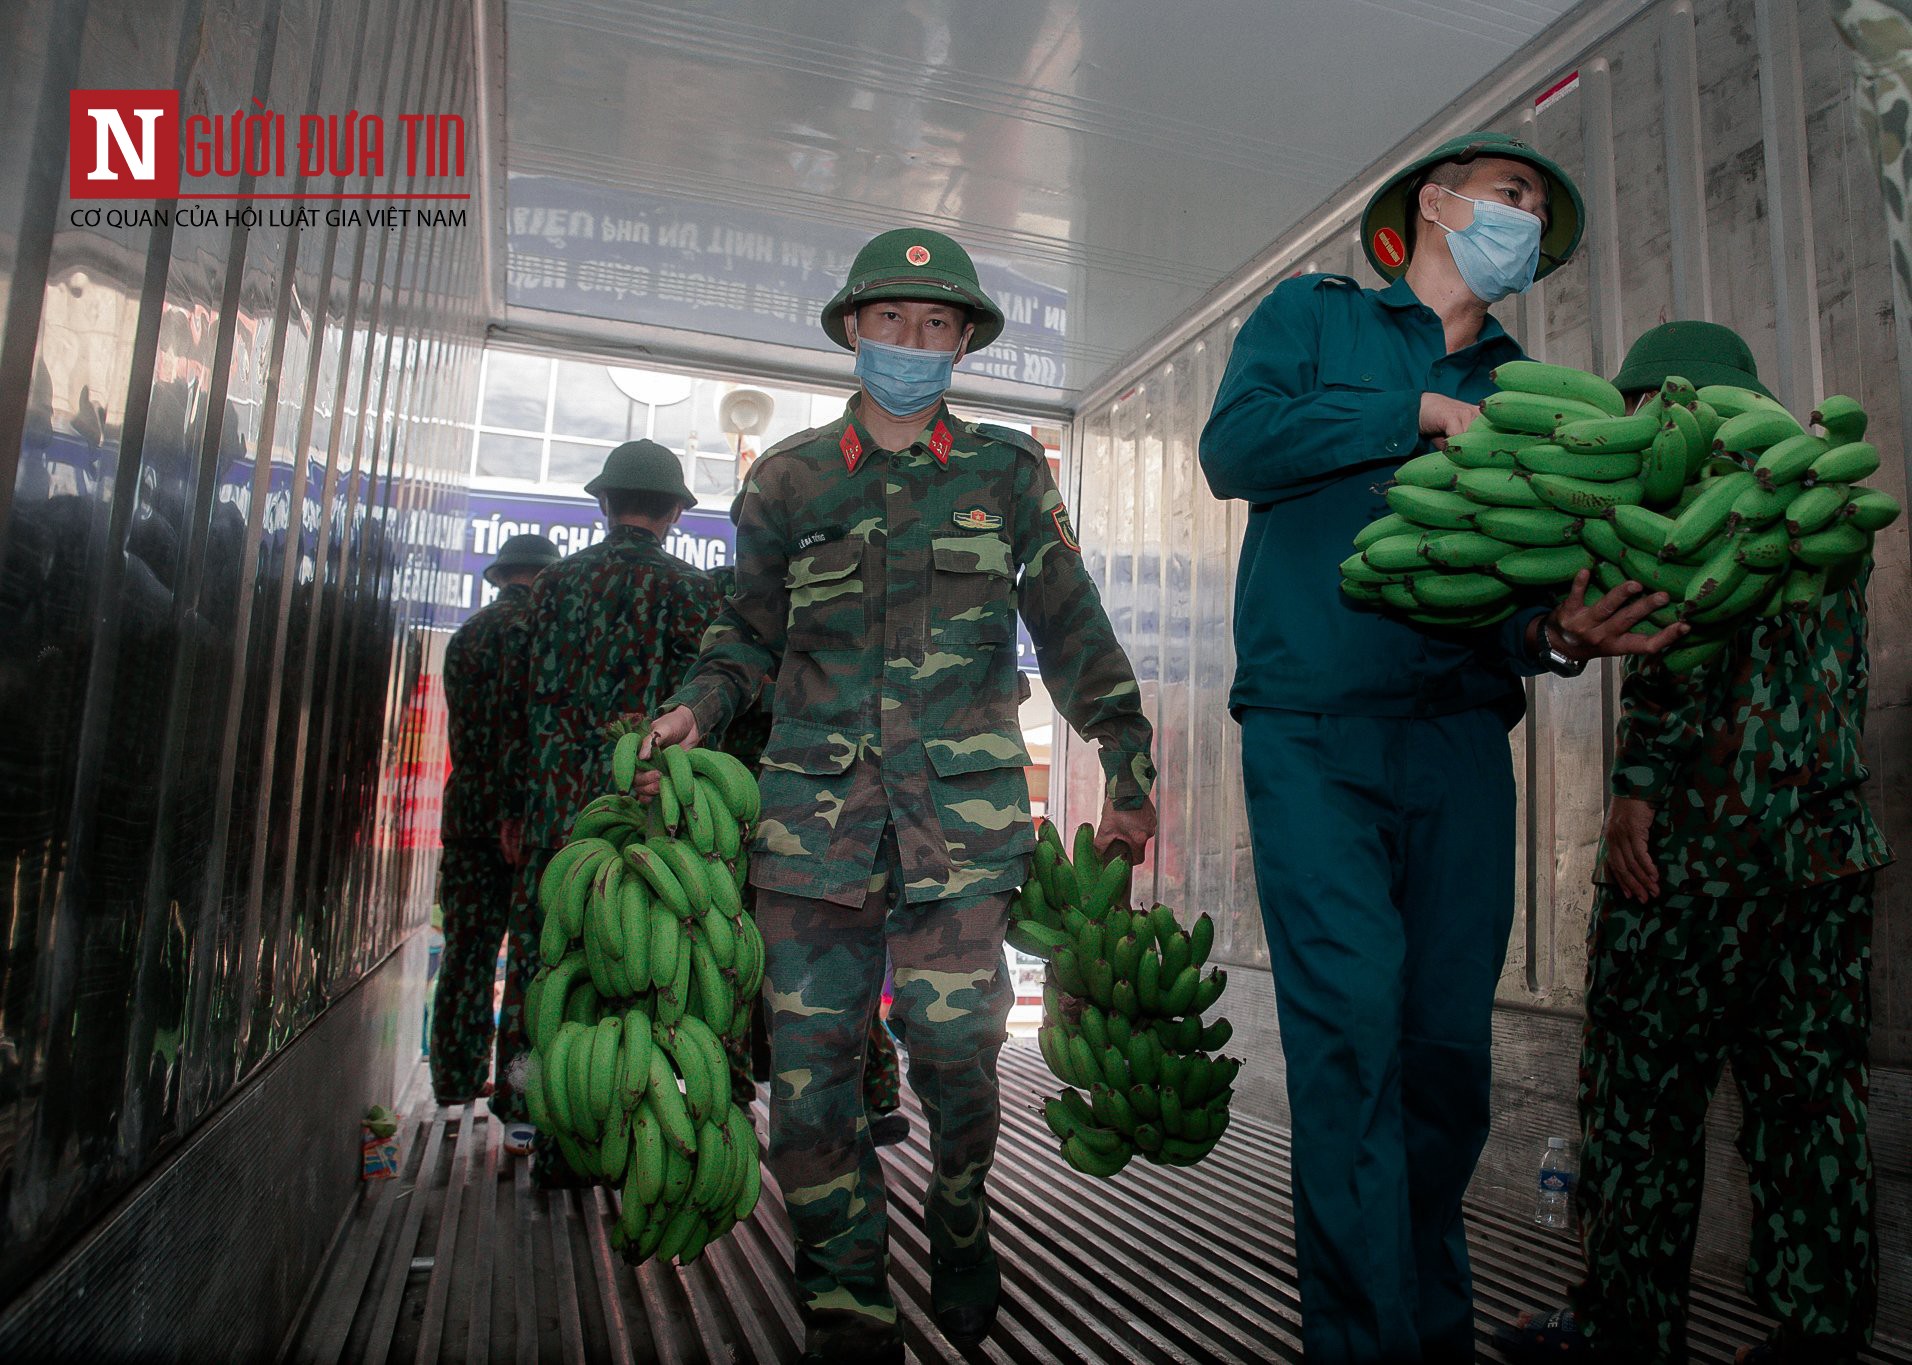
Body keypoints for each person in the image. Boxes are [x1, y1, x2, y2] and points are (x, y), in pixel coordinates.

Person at [1198, 131, 1686, 1364]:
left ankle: (1432, 1327)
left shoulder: (1532, 397)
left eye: (1536, 210)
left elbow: (1509, 600)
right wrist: (1412, 411)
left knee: (1444, 1059)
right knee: (1351, 1037)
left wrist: (1557, 633)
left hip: (1460, 743)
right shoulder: (1315, 322)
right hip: (1317, 736)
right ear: (1438, 201)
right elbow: (1234, 451)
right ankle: (1366, 1345)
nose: (1522, 219)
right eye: (1510, 195)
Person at [643, 227, 1158, 1363]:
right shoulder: (785, 479)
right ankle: (846, 1299)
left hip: (962, 839)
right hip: (814, 837)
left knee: (959, 1067)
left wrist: (1126, 758)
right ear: (853, 332)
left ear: (962, 342)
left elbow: (1070, 624)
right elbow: (745, 634)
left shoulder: (1008, 473)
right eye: (890, 323)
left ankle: (963, 1228)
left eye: (934, 327)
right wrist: (695, 706)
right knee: (813, 1084)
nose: (911, 343)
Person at [1501, 322, 1893, 1365]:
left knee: (1642, 1097)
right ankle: (1820, 1334)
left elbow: (1678, 656)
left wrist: (1633, 794)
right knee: (1809, 1098)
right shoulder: (1826, 496)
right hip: (1823, 852)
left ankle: (1627, 1328)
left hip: (1692, 857)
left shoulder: (1685, 494)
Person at [494, 441, 722, 1168]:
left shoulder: (552, 588)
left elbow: (515, 706)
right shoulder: (695, 593)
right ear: (677, 512)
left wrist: (513, 805)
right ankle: (639, 1125)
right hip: (652, 814)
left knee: (548, 958)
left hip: (559, 809)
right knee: (644, 959)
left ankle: (537, 1116)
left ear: (602, 503)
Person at [706, 554, 910, 1146]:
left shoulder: (730, 594)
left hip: (762, 803)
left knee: (748, 957)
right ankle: (865, 1100)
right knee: (830, 951)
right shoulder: (842, 576)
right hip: (800, 801)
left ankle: (740, 1104)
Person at [431, 533, 560, 1104]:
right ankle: (519, 1093)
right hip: (524, 824)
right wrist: (516, 811)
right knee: (530, 964)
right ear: (544, 579)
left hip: (465, 821)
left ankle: (454, 1081)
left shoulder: (465, 637)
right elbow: (521, 731)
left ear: (503, 576)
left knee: (466, 953)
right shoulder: (535, 636)